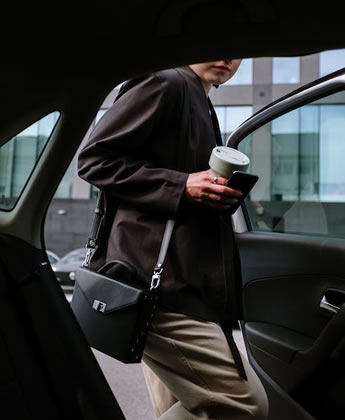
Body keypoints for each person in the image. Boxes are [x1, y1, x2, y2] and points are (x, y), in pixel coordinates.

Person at [77, 60, 268, 419]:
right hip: (157, 285)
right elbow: (93, 159)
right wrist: (182, 185)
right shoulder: (165, 82)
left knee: (190, 408)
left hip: (180, 283)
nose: (227, 56)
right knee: (245, 404)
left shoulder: (199, 98)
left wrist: (204, 191)